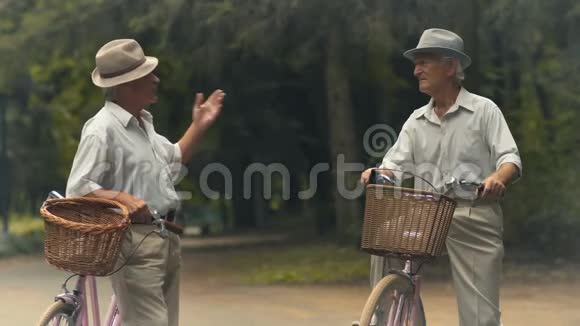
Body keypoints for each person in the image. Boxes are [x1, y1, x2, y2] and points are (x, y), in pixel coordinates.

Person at [359, 28, 522, 326]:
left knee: (479, 317)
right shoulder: (416, 120)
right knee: (384, 238)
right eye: (416, 63)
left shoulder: (484, 111)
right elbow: (393, 166)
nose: (416, 70)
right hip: (426, 215)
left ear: (451, 67)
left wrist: (498, 178)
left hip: (472, 213)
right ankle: (383, 318)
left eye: (424, 62)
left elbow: (510, 158)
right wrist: (377, 173)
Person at [66, 39, 225, 326]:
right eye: (148, 75)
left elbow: (173, 162)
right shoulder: (102, 130)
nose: (156, 79)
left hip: (166, 239)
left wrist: (199, 125)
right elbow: (78, 188)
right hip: (134, 243)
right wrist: (122, 199)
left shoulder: (143, 124)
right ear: (128, 84)